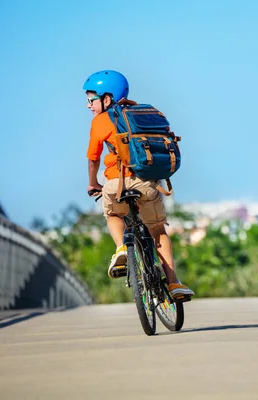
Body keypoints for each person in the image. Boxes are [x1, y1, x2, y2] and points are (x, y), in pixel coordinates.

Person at [83, 70, 194, 300]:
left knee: (113, 212)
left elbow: (93, 159)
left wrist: (93, 183)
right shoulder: (144, 113)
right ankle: (173, 284)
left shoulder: (101, 121)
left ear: (106, 98)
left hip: (115, 183)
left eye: (91, 99)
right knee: (158, 231)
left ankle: (121, 248)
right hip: (147, 183)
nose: (88, 106)